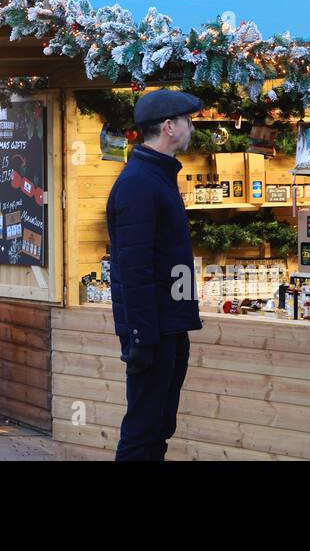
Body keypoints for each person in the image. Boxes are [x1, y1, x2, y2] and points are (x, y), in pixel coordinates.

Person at [106, 88, 205, 461]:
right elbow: (134, 267)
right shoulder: (139, 183)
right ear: (168, 127)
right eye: (188, 121)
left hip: (168, 325)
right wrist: (141, 337)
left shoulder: (157, 176)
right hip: (153, 330)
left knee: (159, 426)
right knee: (143, 430)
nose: (192, 128)